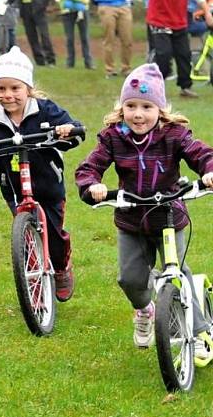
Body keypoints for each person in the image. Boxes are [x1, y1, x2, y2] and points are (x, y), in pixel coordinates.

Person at [75, 63, 213, 353]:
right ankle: (145, 311)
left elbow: (200, 154)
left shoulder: (174, 134)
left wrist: (210, 171)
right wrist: (92, 186)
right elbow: (91, 166)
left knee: (177, 272)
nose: (138, 114)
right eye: (131, 106)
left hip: (169, 216)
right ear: (122, 107)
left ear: (160, 109)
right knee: (130, 278)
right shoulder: (113, 137)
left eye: (147, 107)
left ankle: (199, 333)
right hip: (132, 220)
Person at [0, 46, 85, 301]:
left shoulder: (45, 110)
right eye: (1, 89)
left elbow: (73, 131)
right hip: (14, 188)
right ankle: (34, 287)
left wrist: (66, 130)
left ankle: (61, 268)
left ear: (28, 88)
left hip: (48, 186)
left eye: (15, 88)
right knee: (26, 238)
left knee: (54, 235)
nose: (8, 95)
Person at [147, 0, 199, 98]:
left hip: (179, 23)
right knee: (163, 55)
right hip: (160, 22)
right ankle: (155, 89)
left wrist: (206, 11)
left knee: (184, 55)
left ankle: (185, 87)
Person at [56, 0, 92, 69]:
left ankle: (89, 62)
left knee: (84, 37)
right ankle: (70, 63)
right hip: (67, 12)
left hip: (82, 11)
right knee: (69, 38)